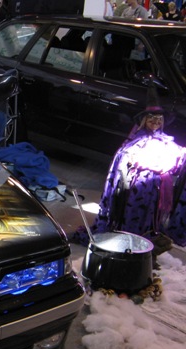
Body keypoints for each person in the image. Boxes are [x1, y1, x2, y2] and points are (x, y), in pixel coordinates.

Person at [77, 89, 186, 248]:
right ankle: (128, 236)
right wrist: (149, 164)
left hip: (156, 192)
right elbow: (127, 159)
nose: (155, 121)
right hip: (137, 192)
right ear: (144, 120)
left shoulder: (167, 141)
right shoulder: (135, 141)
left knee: (150, 215)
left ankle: (146, 235)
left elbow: (177, 160)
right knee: (134, 214)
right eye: (151, 118)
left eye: (158, 119)